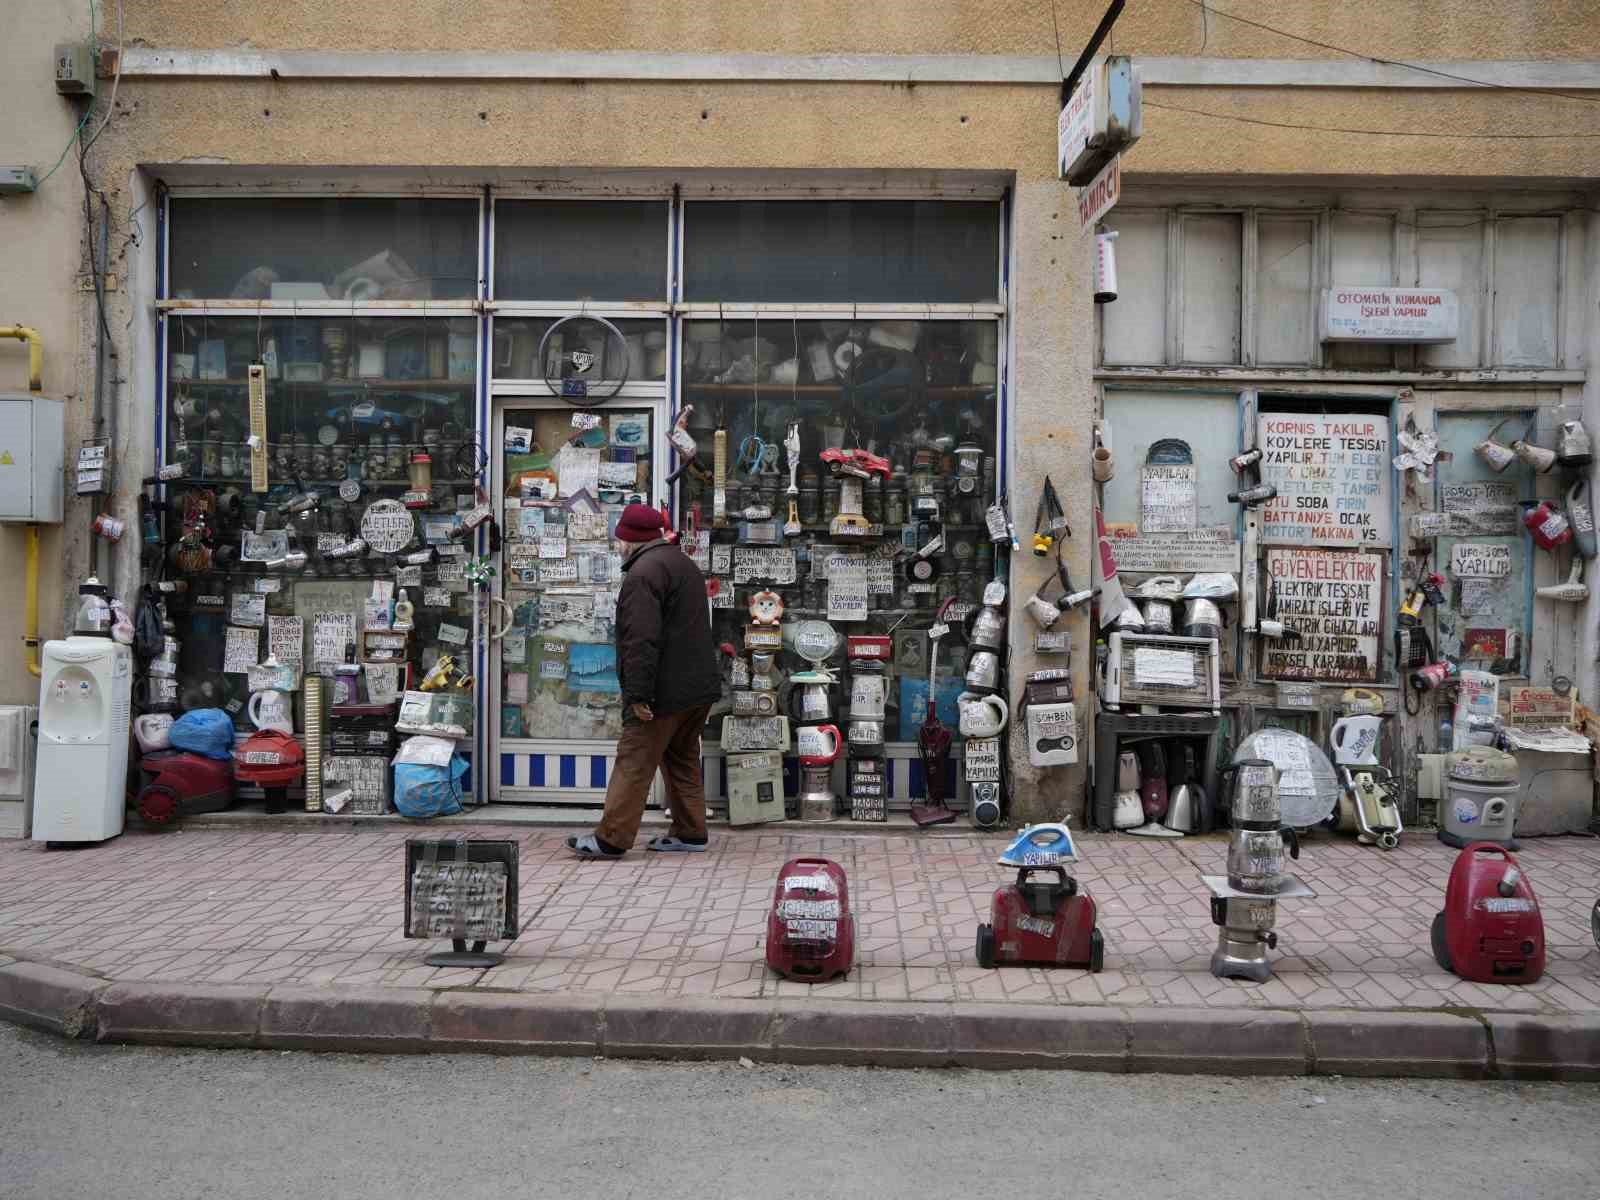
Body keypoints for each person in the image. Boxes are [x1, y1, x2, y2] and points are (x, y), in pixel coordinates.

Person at [567, 503, 721, 859]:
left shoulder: (642, 574)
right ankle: (690, 831)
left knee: (634, 759)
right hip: (697, 688)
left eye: (620, 538)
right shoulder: (683, 564)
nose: (618, 544)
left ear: (631, 539)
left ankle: (611, 839)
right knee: (681, 757)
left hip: (663, 692)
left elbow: (640, 639)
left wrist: (638, 695)